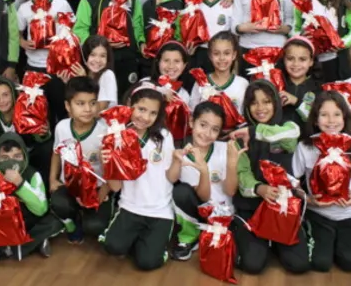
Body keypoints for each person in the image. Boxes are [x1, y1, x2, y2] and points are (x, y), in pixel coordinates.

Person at [231, 80, 309, 274]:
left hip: (282, 207)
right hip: (251, 208)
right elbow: (242, 173)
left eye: (266, 101)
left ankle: (276, 239)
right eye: (254, 103)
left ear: (275, 103)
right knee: (253, 265)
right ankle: (251, 237)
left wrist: (254, 131)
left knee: (299, 265)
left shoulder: (287, 127)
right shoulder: (240, 135)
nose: (260, 108)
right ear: (247, 107)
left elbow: (291, 136)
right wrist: (259, 188)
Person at [100, 86, 179, 271]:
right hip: (130, 208)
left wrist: (177, 161)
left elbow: (171, 177)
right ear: (130, 106)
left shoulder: (164, 137)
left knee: (147, 263)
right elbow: (116, 187)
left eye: (152, 113)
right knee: (113, 247)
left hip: (160, 211)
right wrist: (107, 164)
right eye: (141, 109)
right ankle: (139, 240)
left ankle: (152, 245)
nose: (145, 117)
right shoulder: (115, 137)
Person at [291, 91, 351, 272]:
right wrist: (309, 200)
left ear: (345, 117)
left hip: (350, 213)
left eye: (336, 114)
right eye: (324, 115)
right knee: (321, 263)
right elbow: (292, 182)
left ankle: (350, 243)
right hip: (319, 214)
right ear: (315, 120)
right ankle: (318, 237)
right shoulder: (306, 147)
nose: (331, 120)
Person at [170, 102, 243, 261]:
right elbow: (203, 197)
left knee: (236, 259)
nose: (207, 133)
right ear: (191, 122)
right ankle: (189, 236)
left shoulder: (225, 149)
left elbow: (231, 191)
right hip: (199, 211)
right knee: (179, 192)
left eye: (215, 129)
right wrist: (203, 170)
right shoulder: (182, 153)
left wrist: (231, 164)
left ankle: (212, 233)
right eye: (203, 125)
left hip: (224, 215)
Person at [0, 132, 62, 262]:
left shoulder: (33, 175)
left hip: (30, 222)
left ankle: (10, 248)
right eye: (5, 158)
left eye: (17, 156)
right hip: (5, 224)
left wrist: (20, 184)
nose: (11, 161)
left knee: (55, 222)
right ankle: (34, 244)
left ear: (24, 156)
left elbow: (41, 209)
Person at [49, 77, 111, 243]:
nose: (88, 109)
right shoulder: (61, 127)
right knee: (58, 202)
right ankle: (72, 221)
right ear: (68, 106)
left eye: (92, 103)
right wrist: (52, 179)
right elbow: (56, 153)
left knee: (95, 226)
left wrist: (101, 194)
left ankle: (92, 215)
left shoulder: (104, 132)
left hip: (95, 189)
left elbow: (111, 170)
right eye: (80, 103)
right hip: (69, 185)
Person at [72, 0, 145, 95]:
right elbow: (80, 29)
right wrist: (101, 44)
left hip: (128, 58)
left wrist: (139, 43)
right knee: (102, 97)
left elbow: (137, 23)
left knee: (128, 96)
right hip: (101, 62)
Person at [0, 77, 53, 190]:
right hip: (7, 161)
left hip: (30, 155)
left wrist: (42, 133)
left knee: (46, 149)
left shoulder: (25, 110)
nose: (2, 101)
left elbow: (40, 139)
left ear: (13, 94)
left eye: (5, 95)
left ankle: (45, 189)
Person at [17, 0, 74, 73]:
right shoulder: (24, 8)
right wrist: (22, 42)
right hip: (34, 64)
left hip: (59, 63)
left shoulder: (62, 4)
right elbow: (16, 33)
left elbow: (72, 28)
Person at [189, 32, 249, 129]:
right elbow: (193, 112)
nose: (221, 58)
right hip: (205, 138)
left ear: (234, 55)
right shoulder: (201, 82)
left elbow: (245, 117)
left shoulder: (242, 84)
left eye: (227, 53)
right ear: (210, 55)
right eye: (216, 53)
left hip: (233, 139)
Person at [139, 0, 183, 76]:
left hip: (169, 62)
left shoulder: (177, 4)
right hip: (149, 61)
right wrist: (141, 43)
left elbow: (180, 33)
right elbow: (141, 28)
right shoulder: (147, 5)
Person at [187, 0, 233, 71]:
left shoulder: (228, 4)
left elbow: (234, 37)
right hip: (198, 57)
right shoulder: (192, 6)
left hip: (222, 58)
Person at [62, 35, 118, 110]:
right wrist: (69, 84)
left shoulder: (108, 75)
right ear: (85, 56)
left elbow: (97, 111)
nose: (98, 60)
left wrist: (84, 81)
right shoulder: (83, 73)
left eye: (103, 56)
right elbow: (74, 111)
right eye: (93, 55)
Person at [280, 36, 321, 129]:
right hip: (278, 141)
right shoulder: (277, 83)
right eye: (290, 58)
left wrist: (296, 101)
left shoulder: (318, 88)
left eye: (302, 59)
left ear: (311, 61)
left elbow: (318, 119)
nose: (295, 64)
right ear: (284, 59)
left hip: (307, 141)